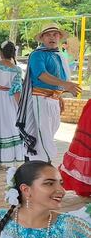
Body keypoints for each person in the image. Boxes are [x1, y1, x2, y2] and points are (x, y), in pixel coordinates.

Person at [17, 22, 81, 163]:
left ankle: (36, 167)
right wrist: (66, 85)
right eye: (48, 35)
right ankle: (45, 165)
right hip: (41, 99)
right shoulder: (37, 55)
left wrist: (60, 96)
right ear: (42, 38)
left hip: (52, 100)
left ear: (59, 37)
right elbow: (42, 75)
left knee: (48, 133)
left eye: (55, 34)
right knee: (42, 134)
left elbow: (58, 79)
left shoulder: (58, 55)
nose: (52, 37)